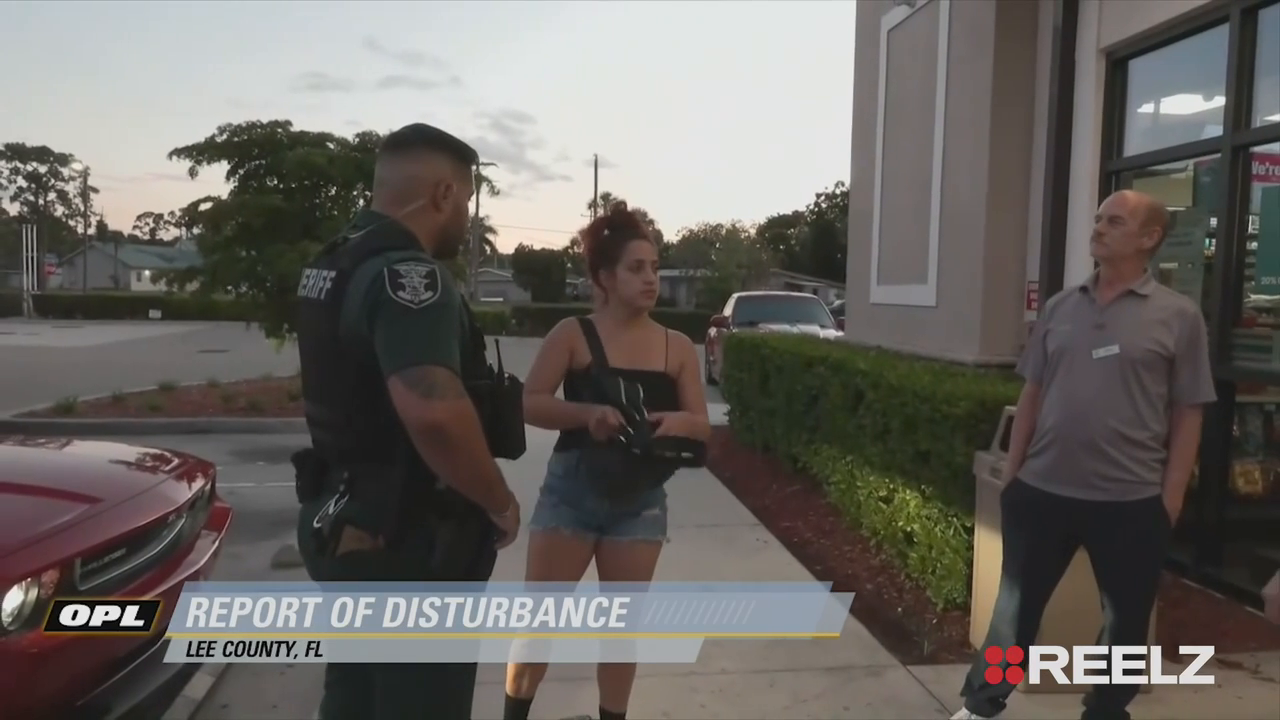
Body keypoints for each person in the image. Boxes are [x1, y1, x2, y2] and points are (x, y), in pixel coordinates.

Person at [952, 189, 1217, 720]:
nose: (1098, 227)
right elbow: (1033, 392)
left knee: (1125, 625)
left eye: (1114, 221)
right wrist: (1015, 475)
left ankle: (1106, 711)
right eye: (1098, 218)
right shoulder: (1060, 307)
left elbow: (1189, 412)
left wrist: (1169, 499)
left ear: (1149, 238)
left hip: (1131, 502)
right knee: (1013, 614)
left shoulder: (1179, 316)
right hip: (1042, 492)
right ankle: (981, 706)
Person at [291, 122, 522, 720]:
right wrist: (498, 500)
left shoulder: (334, 262)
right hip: (408, 541)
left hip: (344, 519)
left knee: (353, 698)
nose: (466, 217)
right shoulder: (410, 278)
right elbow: (433, 409)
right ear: (444, 194)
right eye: (466, 200)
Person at [502, 202, 712, 720]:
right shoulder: (572, 334)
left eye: (655, 268)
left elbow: (701, 423)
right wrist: (586, 414)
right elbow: (530, 402)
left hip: (640, 502)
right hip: (571, 495)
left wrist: (677, 422)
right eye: (636, 268)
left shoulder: (677, 347)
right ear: (604, 277)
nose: (650, 279)